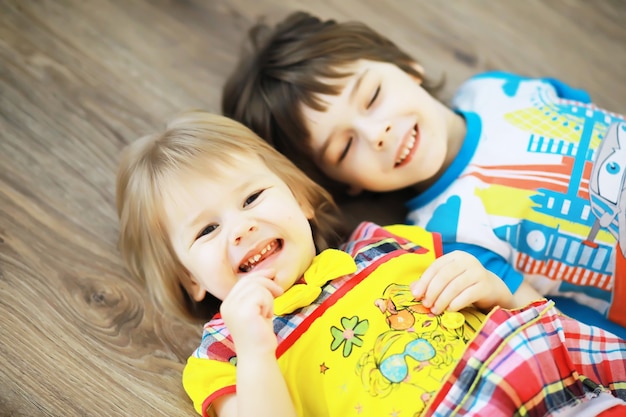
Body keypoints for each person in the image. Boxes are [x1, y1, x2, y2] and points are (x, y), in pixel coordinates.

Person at [116, 110, 626, 417]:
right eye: (207, 231)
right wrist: (255, 348)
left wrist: (495, 290)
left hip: (546, 385)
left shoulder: (387, 246)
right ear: (189, 277)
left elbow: (533, 311)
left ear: (300, 200)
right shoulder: (223, 356)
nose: (240, 228)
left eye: (252, 198)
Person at [221, 10, 626, 337]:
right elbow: (561, 324)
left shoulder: (495, 90)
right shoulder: (445, 239)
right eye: (344, 147)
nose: (376, 133)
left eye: (372, 96)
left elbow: (594, 119)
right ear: (347, 184)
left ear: (407, 66)